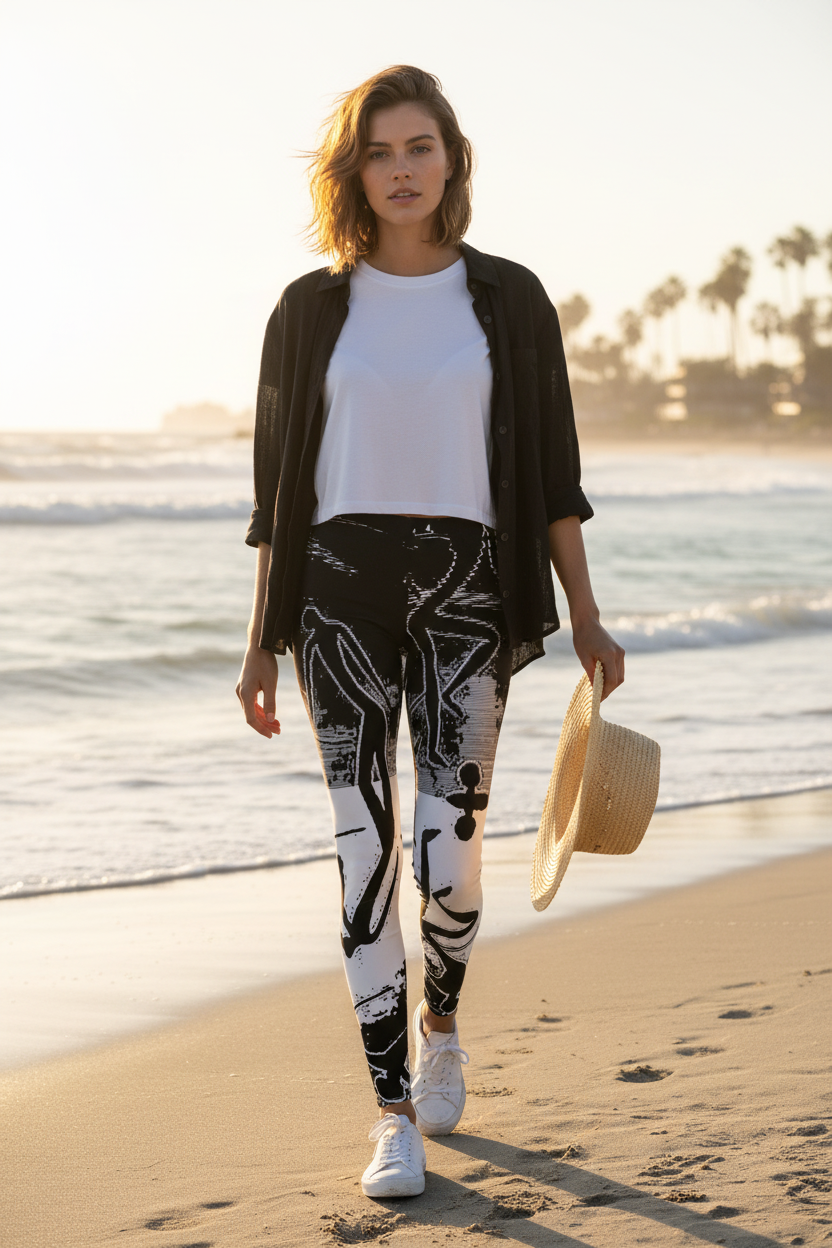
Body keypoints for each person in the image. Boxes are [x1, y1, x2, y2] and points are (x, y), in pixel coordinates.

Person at [236, 65, 624, 1200]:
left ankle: (442, 1023)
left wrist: (586, 614)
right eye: (379, 151)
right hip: (337, 592)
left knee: (446, 859)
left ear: (450, 160)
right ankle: (392, 1110)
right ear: (353, 170)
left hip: (468, 589)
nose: (400, 169)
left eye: (419, 147)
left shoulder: (508, 299)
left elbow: (553, 473)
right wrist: (260, 639)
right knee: (362, 850)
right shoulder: (311, 310)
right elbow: (277, 496)